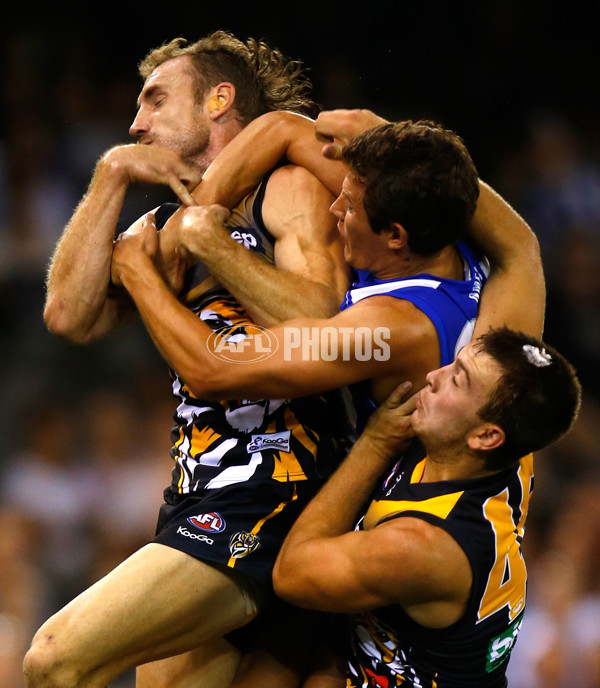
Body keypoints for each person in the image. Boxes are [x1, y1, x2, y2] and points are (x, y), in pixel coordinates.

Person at [27, 32, 351, 688]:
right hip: (197, 497)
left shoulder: (280, 188)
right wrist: (111, 173)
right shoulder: (167, 226)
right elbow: (68, 312)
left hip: (273, 491)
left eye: (154, 100)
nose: (135, 121)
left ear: (218, 100)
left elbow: (320, 323)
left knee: (54, 659)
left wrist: (212, 245)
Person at [272, 327, 581, 688]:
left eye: (458, 380)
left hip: (376, 665)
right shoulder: (508, 443)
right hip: (376, 645)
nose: (434, 376)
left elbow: (290, 573)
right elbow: (516, 275)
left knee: (269, 639)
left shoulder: (420, 546)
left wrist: (374, 444)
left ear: (485, 436)